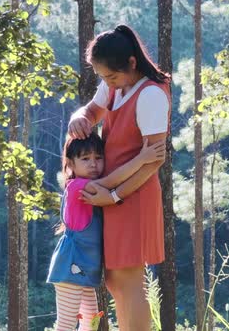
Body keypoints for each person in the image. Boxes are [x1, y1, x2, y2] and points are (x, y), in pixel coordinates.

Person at [68, 24, 171, 331]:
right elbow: (91, 111)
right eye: (102, 77)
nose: (106, 83)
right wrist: (79, 117)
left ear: (131, 63)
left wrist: (113, 196)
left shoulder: (151, 95)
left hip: (132, 196)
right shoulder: (116, 85)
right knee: (115, 280)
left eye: (110, 77)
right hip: (111, 196)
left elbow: (153, 161)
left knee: (129, 281)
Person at [47, 132, 165, 330]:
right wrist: (142, 159)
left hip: (84, 272)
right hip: (69, 269)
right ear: (71, 164)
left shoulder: (90, 187)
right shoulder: (78, 187)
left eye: (98, 158)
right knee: (66, 325)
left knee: (91, 321)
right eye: (85, 159)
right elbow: (112, 182)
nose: (93, 164)